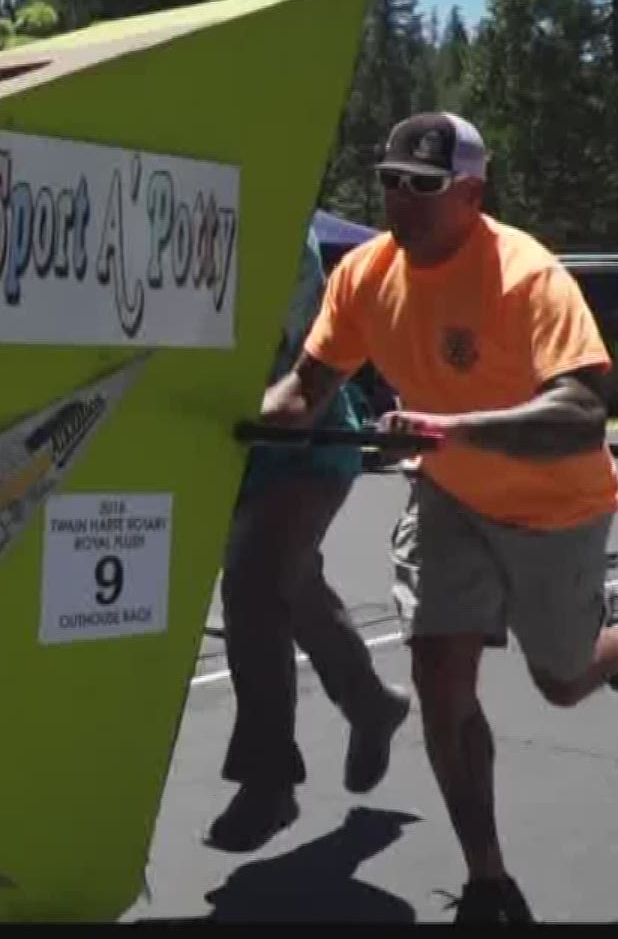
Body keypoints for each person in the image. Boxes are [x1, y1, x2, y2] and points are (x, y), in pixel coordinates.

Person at [261, 113, 618, 922]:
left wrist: (451, 428)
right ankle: (488, 881)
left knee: (560, 681)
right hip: (448, 497)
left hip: (555, 507)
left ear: (472, 193)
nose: (400, 201)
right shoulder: (366, 275)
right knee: (440, 685)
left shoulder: (527, 276)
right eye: (390, 182)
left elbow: (582, 412)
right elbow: (305, 389)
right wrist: (223, 420)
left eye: (424, 187)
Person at [206, 221, 412, 853]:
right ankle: (373, 702)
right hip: (222, 449)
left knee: (254, 584)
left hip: (307, 446)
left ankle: (268, 779)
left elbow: (304, 386)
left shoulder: (281, 235)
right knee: (293, 588)